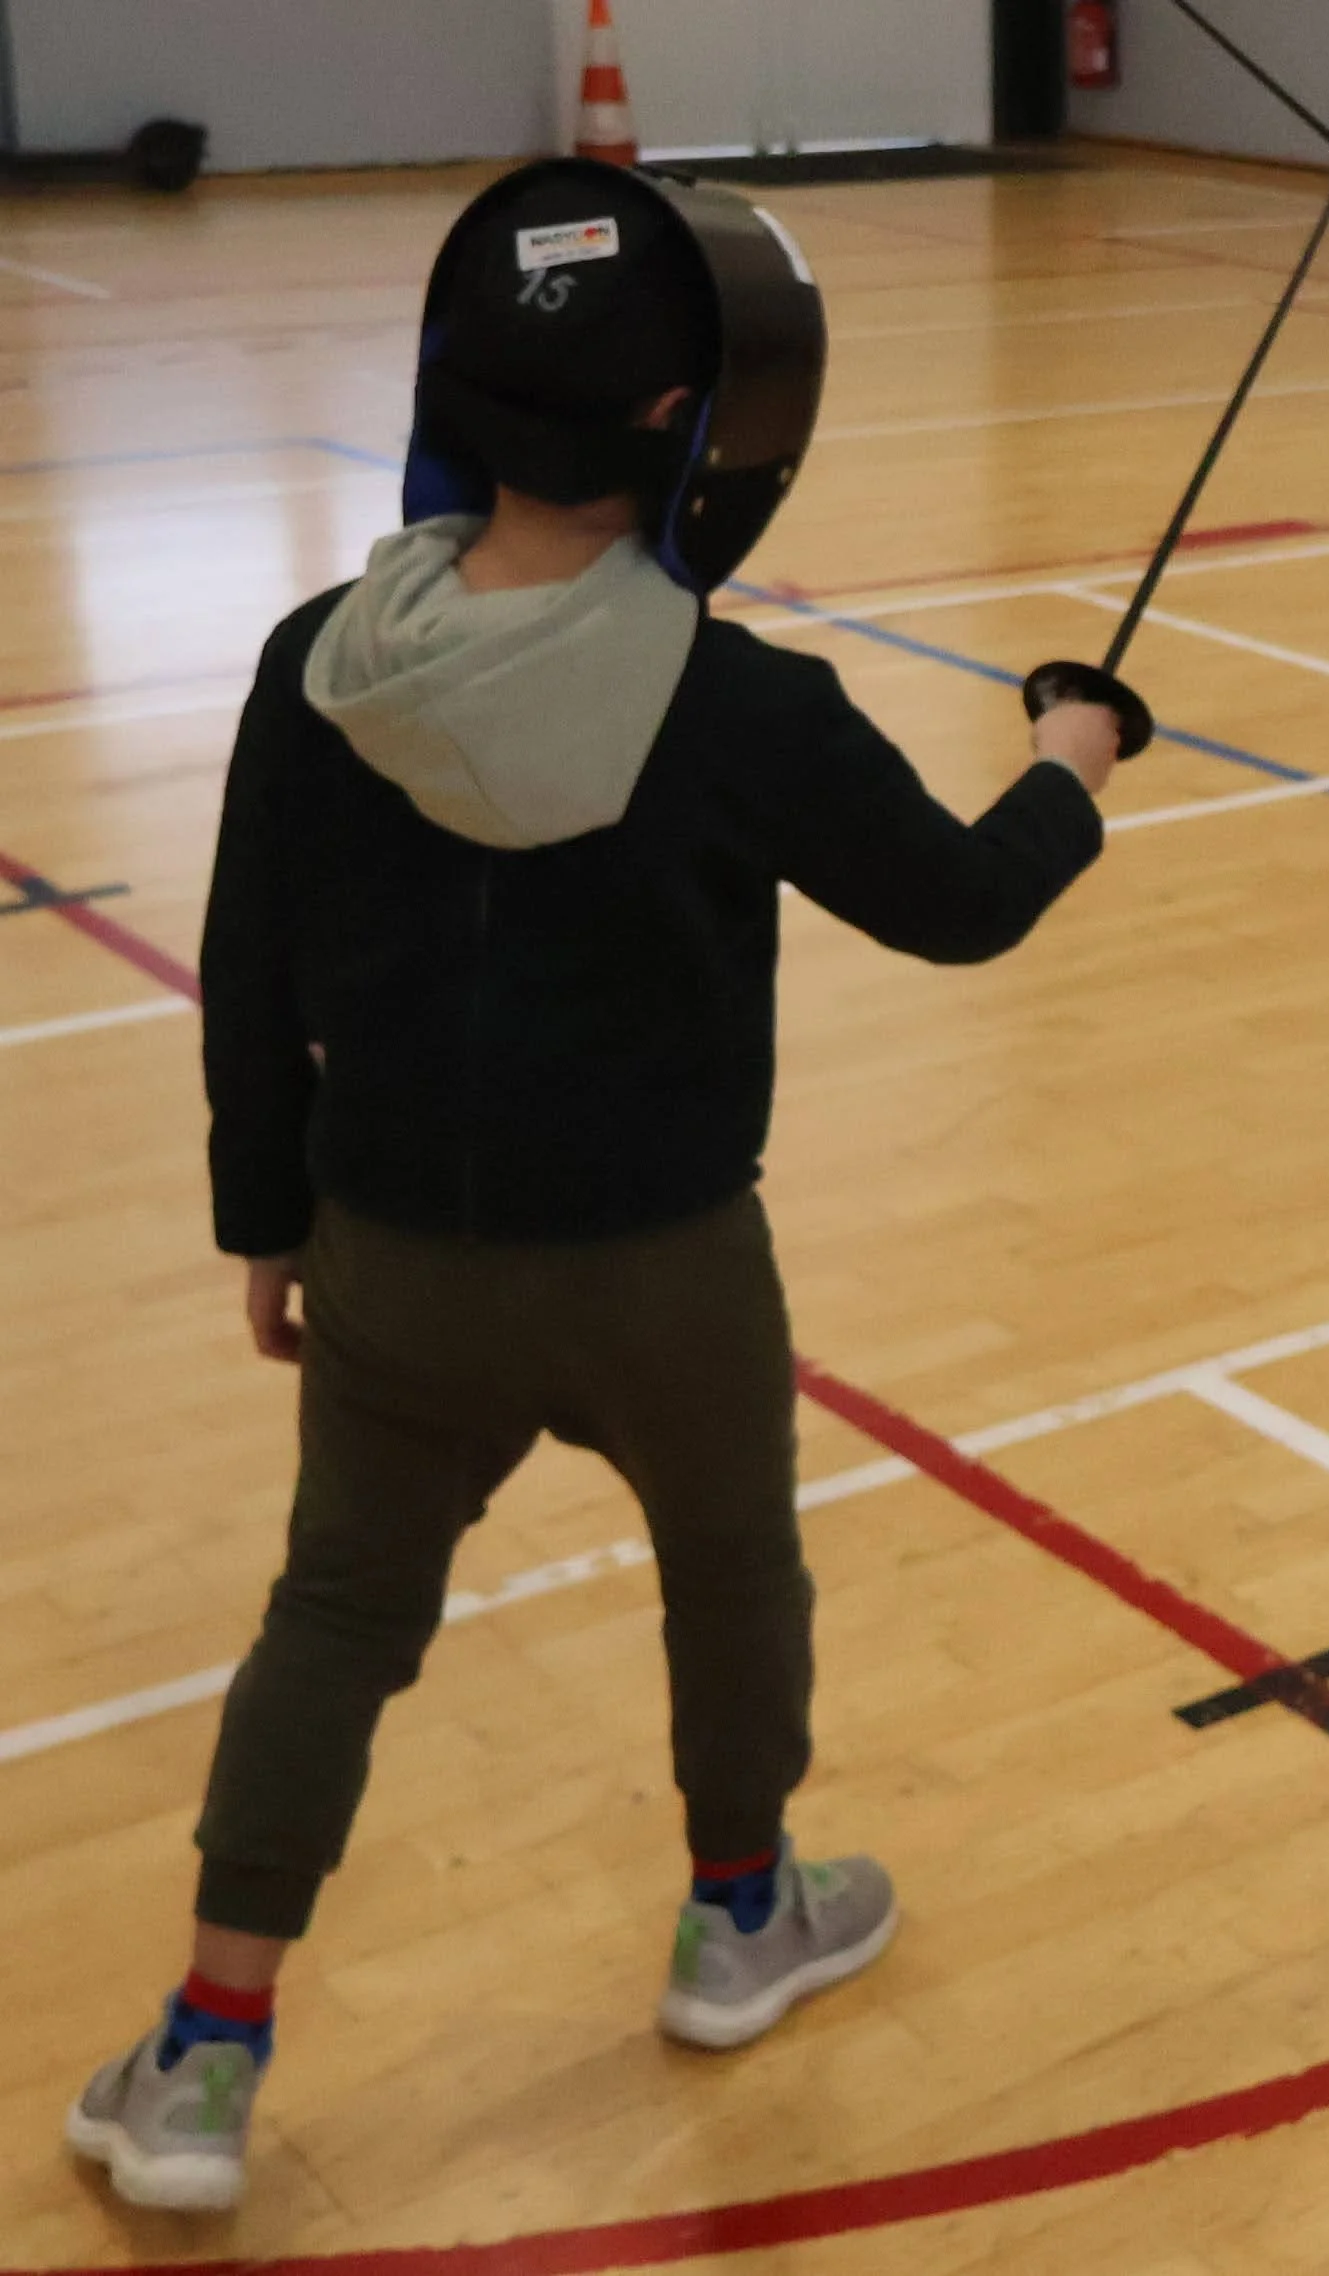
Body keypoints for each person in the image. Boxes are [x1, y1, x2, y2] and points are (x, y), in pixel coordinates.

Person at [65, 159, 1129, 2213]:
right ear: (687, 426)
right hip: (662, 1270)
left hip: (389, 1255)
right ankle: (744, 1913)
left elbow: (250, 967)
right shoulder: (743, 703)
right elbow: (968, 905)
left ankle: (206, 2048)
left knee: (335, 1617)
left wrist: (264, 1222)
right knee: (732, 1569)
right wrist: (1071, 757)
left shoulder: (318, 657)